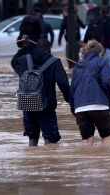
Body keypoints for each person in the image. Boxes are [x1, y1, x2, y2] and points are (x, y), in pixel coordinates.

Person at [11, 15, 70, 146]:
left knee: (32, 143)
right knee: (51, 144)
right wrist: (72, 104)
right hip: (47, 108)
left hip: (28, 106)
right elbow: (64, 86)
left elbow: (13, 62)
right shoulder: (54, 61)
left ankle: (33, 166)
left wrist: (25, 46)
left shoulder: (21, 60)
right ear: (40, 33)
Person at [70, 40, 110, 146]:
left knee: (87, 141)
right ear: (100, 52)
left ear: (85, 52)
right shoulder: (102, 61)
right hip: (99, 106)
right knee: (106, 136)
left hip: (80, 108)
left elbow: (72, 90)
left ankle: (87, 161)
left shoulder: (77, 66)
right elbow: (107, 83)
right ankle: (108, 161)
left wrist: (74, 108)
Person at [83, 5, 110, 79]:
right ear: (109, 12)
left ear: (100, 12)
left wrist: (85, 47)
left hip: (96, 50)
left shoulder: (93, 20)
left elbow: (87, 35)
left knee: (96, 70)